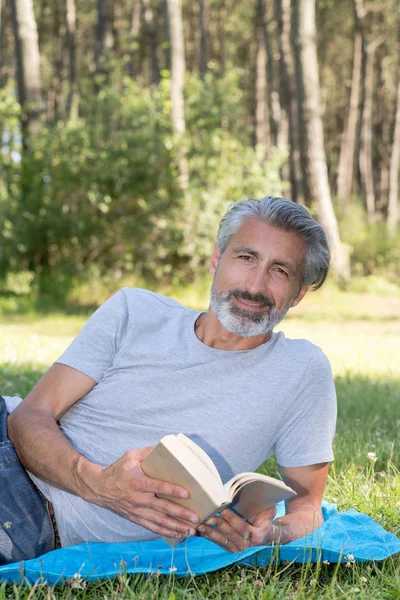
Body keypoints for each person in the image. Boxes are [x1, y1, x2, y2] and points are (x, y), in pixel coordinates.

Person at [1, 196, 336, 565]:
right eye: (246, 258)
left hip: (36, 515)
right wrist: (97, 484)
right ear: (216, 258)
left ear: (299, 292)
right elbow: (28, 416)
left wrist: (273, 534)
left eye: (280, 271)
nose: (255, 285)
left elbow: (306, 507)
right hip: (14, 448)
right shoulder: (134, 310)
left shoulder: (303, 371)